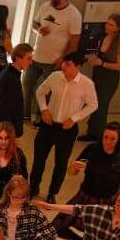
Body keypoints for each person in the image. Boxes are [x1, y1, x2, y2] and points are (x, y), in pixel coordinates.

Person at [28, 55, 98, 201]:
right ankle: (33, 187)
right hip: (48, 125)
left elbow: (93, 105)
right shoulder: (55, 76)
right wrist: (44, 109)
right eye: (64, 63)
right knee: (39, 159)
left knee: (61, 164)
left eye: (68, 64)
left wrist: (74, 118)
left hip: (67, 130)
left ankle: (52, 193)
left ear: (78, 67)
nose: (63, 67)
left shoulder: (86, 84)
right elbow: (40, 91)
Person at [23, 0, 82, 104]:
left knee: (46, 92)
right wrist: (39, 29)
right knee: (27, 84)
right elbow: (35, 23)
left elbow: (74, 44)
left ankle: (41, 114)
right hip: (36, 57)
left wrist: (63, 60)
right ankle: (24, 112)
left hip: (53, 62)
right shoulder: (46, 6)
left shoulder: (74, 15)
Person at [84, 13, 120, 134]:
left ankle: (100, 134)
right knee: (93, 104)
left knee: (101, 107)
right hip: (98, 75)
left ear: (118, 28)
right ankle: (91, 132)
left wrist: (101, 63)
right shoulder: (104, 38)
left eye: (111, 25)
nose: (107, 26)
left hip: (109, 79)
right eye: (107, 23)